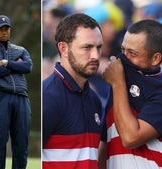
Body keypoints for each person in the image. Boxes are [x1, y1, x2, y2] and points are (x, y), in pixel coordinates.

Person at [99, 19, 162, 169]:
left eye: (132, 53)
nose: (123, 58)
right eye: (123, 50)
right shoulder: (118, 88)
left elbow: (130, 138)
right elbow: (105, 145)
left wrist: (117, 84)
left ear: (155, 58)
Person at [42, 13, 103, 169]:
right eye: (87, 47)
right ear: (64, 48)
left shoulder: (94, 100)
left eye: (99, 47)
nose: (95, 55)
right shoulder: (48, 97)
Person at [0, 15, 33, 169]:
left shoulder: (20, 50)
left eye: (7, 29)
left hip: (22, 97)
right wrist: (16, 65)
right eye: (0, 29)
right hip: (0, 96)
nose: (4, 32)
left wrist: (5, 63)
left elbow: (28, 67)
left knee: (21, 143)